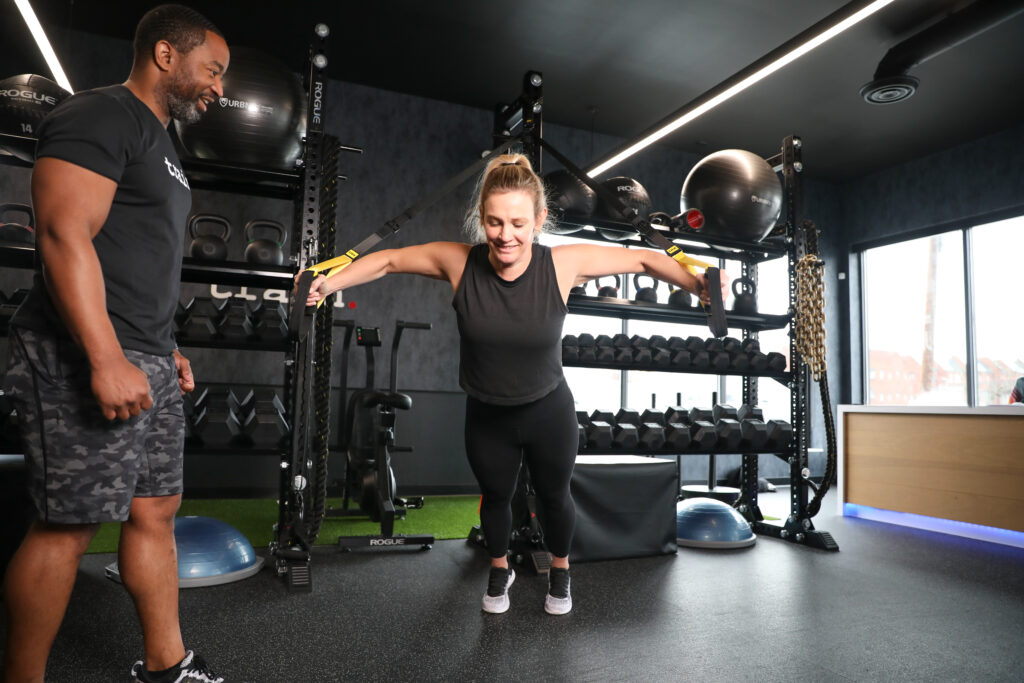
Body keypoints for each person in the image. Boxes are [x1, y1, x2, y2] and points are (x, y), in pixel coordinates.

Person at [301, 154, 728, 616]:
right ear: (480, 218)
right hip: (488, 416)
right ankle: (499, 568)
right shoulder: (459, 262)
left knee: (554, 498)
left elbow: (645, 259)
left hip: (549, 411)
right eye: (495, 222)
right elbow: (386, 261)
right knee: (497, 500)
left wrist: (697, 283)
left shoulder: (564, 264)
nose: (506, 235)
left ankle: (561, 572)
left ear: (540, 220)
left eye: (519, 223)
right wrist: (327, 283)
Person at [1, 5, 232, 683]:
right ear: (166, 54)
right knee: (67, 525)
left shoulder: (163, 145)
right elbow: (62, 234)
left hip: (148, 355)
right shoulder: (101, 115)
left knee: (155, 510)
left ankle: (166, 663)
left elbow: (135, 256)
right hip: (85, 352)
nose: (219, 86)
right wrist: (104, 355)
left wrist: (166, 346)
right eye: (212, 68)